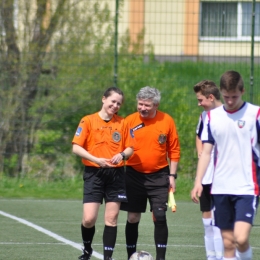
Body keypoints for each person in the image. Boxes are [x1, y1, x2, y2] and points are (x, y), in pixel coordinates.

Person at [191, 71, 260, 260]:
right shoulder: (212, 117)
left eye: (235, 97)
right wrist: (198, 181)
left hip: (247, 187)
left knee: (241, 238)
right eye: (227, 97)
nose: (230, 101)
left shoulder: (255, 114)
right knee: (228, 243)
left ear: (243, 91)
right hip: (220, 187)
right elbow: (206, 152)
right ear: (221, 92)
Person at [72, 87, 134, 260]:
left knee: (112, 218)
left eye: (119, 103)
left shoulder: (123, 123)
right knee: (89, 219)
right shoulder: (88, 121)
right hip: (94, 173)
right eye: (112, 101)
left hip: (116, 175)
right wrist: (96, 159)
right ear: (103, 99)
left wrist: (122, 155)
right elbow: (76, 147)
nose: (115, 106)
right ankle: (87, 250)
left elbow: (130, 148)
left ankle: (108, 257)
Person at [120, 86, 181, 260]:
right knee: (132, 217)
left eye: (147, 105)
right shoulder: (129, 121)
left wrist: (172, 176)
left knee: (159, 216)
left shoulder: (166, 121)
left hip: (160, 175)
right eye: (140, 104)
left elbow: (174, 150)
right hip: (133, 175)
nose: (142, 108)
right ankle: (130, 256)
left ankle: (161, 258)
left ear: (156, 105)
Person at [193, 80, 223, 260]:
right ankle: (211, 257)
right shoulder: (204, 117)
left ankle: (222, 256)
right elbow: (199, 135)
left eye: (201, 99)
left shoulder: (228, 115)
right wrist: (201, 153)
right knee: (207, 218)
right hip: (207, 174)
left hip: (223, 174)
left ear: (211, 97)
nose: (199, 103)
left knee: (220, 219)